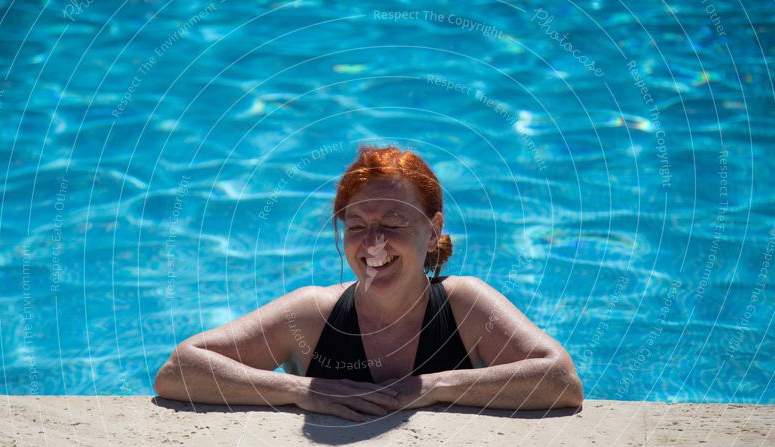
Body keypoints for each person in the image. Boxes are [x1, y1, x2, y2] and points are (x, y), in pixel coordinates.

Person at [154, 145, 583, 422]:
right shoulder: (312, 315)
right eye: (357, 225)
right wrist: (302, 391)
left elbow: (561, 381)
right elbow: (179, 370)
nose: (373, 242)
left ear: (433, 231)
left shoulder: (465, 306)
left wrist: (433, 387)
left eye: (393, 222)